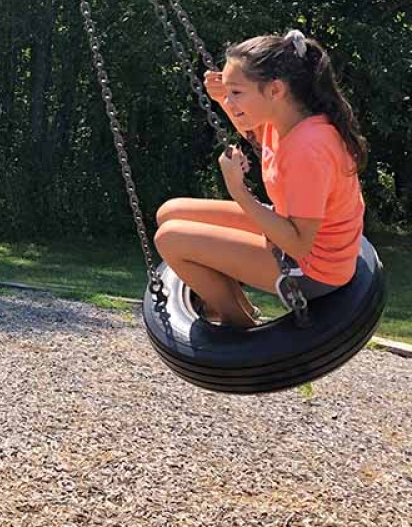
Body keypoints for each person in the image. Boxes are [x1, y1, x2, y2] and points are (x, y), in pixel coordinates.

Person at [153, 30, 368, 328]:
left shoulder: (309, 148)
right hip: (291, 233)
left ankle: (239, 327)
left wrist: (238, 191)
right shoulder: (283, 122)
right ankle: (232, 305)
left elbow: (299, 245)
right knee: (170, 212)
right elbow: (250, 131)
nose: (230, 99)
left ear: (275, 90)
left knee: (170, 239)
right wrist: (224, 99)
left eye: (237, 92)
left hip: (314, 269)